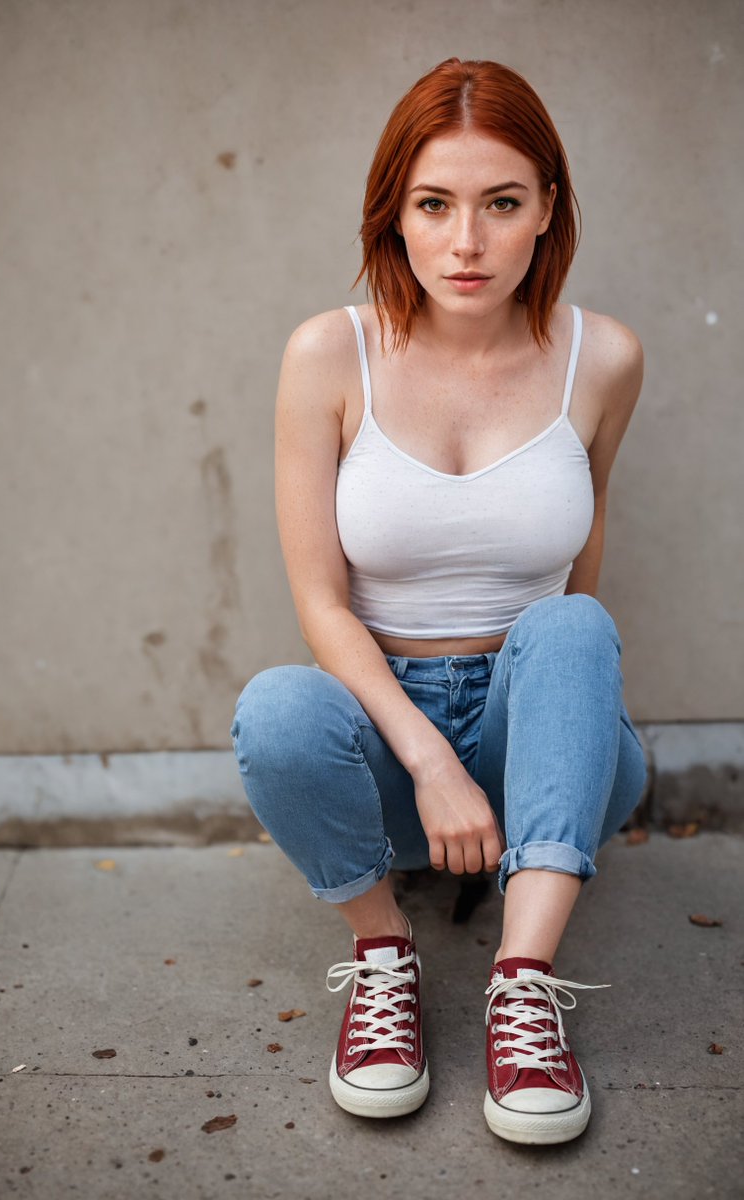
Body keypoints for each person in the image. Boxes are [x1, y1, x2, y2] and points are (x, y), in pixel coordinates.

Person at [231, 58, 647, 1145]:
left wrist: (556, 730)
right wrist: (425, 757)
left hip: (530, 730)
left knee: (568, 625)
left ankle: (521, 986)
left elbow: (581, 562)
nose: (466, 243)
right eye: (434, 205)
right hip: (385, 738)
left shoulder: (601, 359)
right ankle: (384, 955)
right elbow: (322, 600)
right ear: (394, 214)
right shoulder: (330, 353)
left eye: (501, 204)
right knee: (274, 711)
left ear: (547, 207)